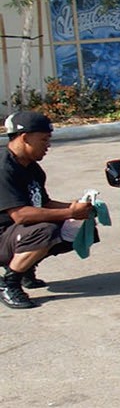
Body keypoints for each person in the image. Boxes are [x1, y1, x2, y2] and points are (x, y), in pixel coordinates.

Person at [0, 110, 94, 309]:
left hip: (12, 233)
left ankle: (25, 269)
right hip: (4, 233)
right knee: (45, 231)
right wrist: (70, 212)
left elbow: (43, 203)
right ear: (25, 138)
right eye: (44, 139)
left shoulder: (31, 167)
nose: (48, 145)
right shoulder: (4, 168)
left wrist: (78, 208)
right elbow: (21, 215)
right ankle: (9, 283)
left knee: (77, 225)